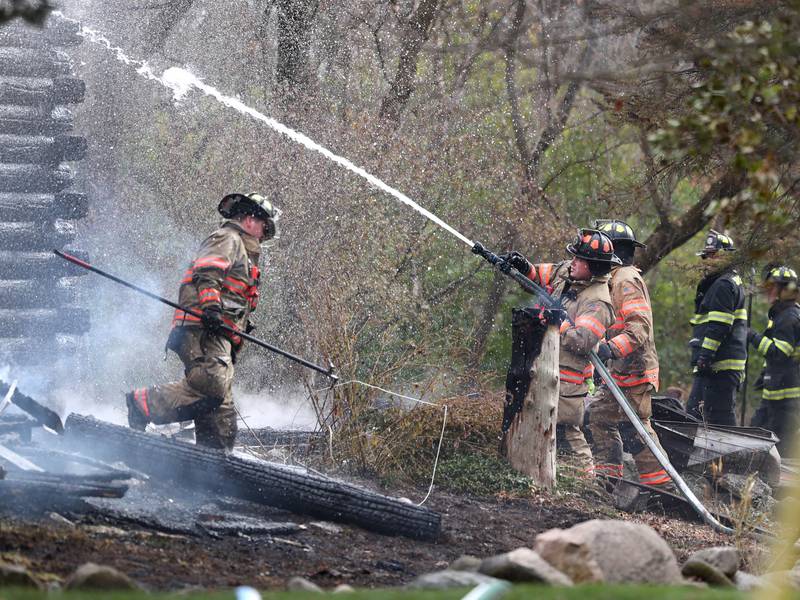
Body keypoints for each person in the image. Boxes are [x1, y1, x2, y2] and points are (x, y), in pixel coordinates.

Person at [125, 192, 278, 450]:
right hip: (203, 328)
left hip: (220, 333)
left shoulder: (243, 252)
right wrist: (211, 310)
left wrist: (237, 327)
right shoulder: (227, 238)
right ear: (251, 219)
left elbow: (236, 298)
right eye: (264, 227)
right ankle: (143, 404)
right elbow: (208, 273)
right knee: (212, 384)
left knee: (222, 409)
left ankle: (213, 463)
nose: (263, 234)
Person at [503, 229, 618, 467]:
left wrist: (560, 322)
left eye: (579, 259)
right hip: (543, 365)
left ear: (594, 266)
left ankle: (588, 488)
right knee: (535, 424)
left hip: (566, 382)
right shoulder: (570, 271)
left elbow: (581, 340)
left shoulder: (598, 302)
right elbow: (540, 277)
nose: (573, 261)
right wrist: (523, 267)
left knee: (567, 436)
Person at [587, 220, 672, 489]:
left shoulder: (626, 280)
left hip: (635, 369)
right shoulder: (614, 279)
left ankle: (663, 488)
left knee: (637, 429)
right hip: (622, 370)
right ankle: (608, 478)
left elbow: (640, 327)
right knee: (599, 416)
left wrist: (611, 349)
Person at [686, 230, 747, 425]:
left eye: (713, 256)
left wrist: (705, 355)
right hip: (719, 364)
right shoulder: (724, 282)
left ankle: (733, 456)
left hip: (719, 364)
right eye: (706, 256)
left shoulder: (722, 284)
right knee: (699, 413)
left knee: (718, 418)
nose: (707, 261)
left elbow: (719, 325)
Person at [748, 266, 800, 455]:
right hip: (775, 395)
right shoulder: (781, 313)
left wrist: (752, 336)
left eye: (773, 287)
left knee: (780, 451)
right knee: (756, 435)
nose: (768, 291)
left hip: (786, 400)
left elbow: (778, 353)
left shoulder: (788, 317)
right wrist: (765, 374)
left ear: (785, 290)